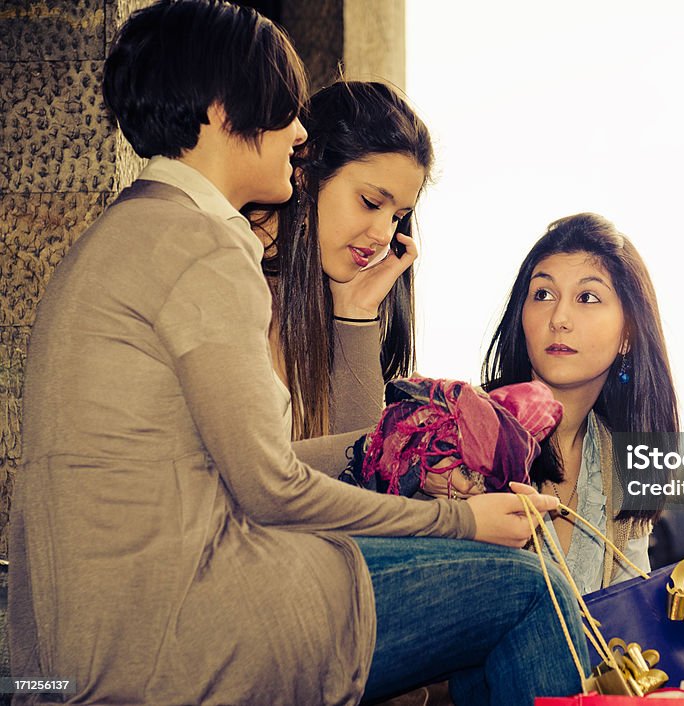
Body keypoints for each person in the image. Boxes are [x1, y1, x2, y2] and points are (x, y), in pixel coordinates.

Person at [8, 2, 586, 705]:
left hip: (92, 635)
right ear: (226, 114)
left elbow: (247, 466)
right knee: (532, 591)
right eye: (284, 111)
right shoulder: (204, 249)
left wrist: (400, 443)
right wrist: (461, 520)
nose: (300, 131)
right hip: (176, 631)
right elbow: (271, 488)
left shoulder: (133, 231)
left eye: (398, 215)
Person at [476, 213, 681, 594]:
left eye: (587, 297)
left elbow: (627, 615)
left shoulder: (621, 459)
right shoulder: (468, 430)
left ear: (628, 334)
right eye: (543, 294)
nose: (559, 318)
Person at [248, 79, 426, 441]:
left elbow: (352, 479)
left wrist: (355, 311)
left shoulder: (313, 297)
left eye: (396, 217)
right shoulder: (231, 275)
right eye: (371, 203)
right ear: (306, 171)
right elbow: (251, 477)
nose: (383, 235)